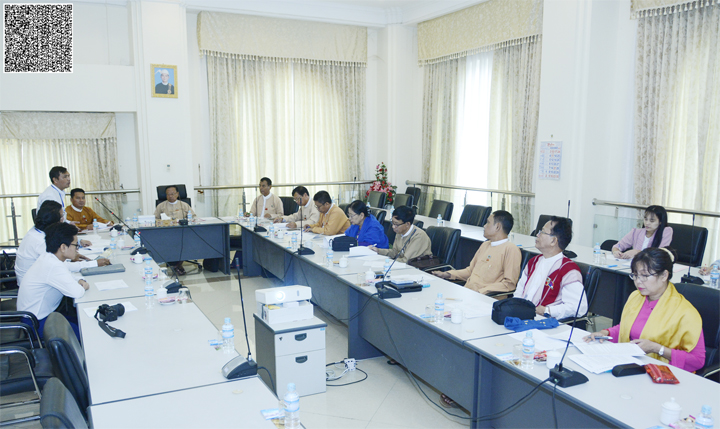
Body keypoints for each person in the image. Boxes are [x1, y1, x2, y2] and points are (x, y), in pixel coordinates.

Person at [585, 248, 705, 373]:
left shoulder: (685, 313)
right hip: (633, 365)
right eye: (635, 275)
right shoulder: (636, 297)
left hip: (665, 373)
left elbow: (697, 361)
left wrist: (657, 349)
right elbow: (627, 329)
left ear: (664, 275)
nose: (638, 281)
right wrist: (606, 333)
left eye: (645, 276)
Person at [17, 223, 90, 339]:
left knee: (84, 322)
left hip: (38, 315)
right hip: (36, 323)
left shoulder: (49, 257)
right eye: (76, 245)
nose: (77, 249)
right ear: (63, 247)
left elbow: (67, 274)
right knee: (85, 332)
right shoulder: (53, 265)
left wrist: (79, 279)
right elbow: (77, 293)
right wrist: (83, 285)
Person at [15, 201, 108, 286]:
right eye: (61, 217)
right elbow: (60, 266)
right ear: (54, 221)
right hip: (35, 286)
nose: (63, 219)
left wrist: (71, 254)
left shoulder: (38, 231)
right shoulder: (41, 241)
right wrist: (93, 263)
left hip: (40, 277)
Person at [513, 216, 587, 319]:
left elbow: (579, 307)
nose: (537, 235)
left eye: (542, 232)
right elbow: (519, 291)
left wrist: (547, 310)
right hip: (521, 316)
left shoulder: (568, 270)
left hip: (545, 321)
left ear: (553, 241)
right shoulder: (533, 262)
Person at [432, 210, 521, 295]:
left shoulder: (511, 249)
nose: (484, 226)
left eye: (488, 223)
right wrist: (447, 274)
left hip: (486, 297)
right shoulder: (485, 245)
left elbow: (509, 284)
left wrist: (482, 291)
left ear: (497, 227)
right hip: (469, 292)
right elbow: (470, 271)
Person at [154, 185, 196, 275]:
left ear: (177, 194)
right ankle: (177, 265)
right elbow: (155, 219)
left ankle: (177, 265)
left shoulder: (184, 205)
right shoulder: (161, 206)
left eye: (172, 194)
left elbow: (193, 217)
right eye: (168, 194)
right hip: (166, 232)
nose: (170, 196)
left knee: (183, 242)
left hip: (183, 231)